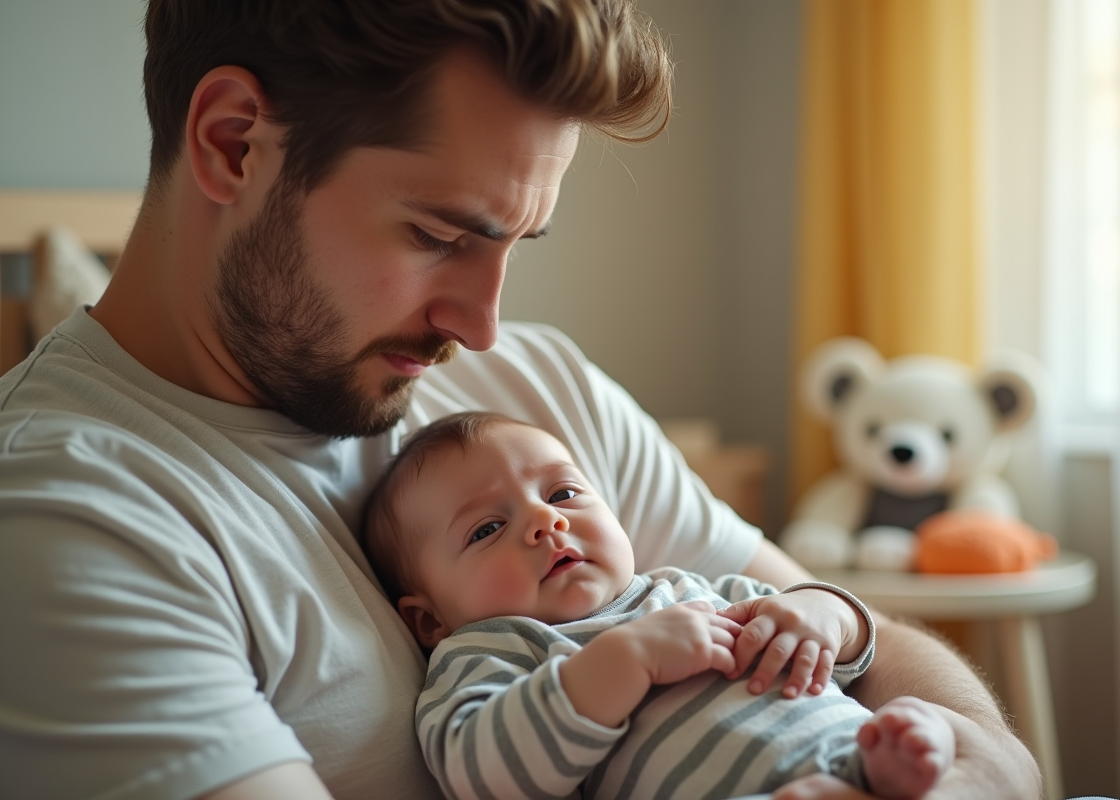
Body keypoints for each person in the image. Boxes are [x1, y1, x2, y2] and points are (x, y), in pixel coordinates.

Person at [0, 1, 1040, 799]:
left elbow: (864, 646)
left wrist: (972, 769)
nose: (481, 326)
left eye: (509, 244)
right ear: (233, 141)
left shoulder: (535, 396)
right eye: (440, 234)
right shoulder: (70, 521)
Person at [362, 411, 957, 800]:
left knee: (921, 726)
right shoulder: (489, 648)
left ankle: (896, 765)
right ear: (428, 618)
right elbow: (480, 773)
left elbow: (850, 650)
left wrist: (825, 615)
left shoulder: (688, 588)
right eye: (487, 528)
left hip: (853, 755)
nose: (548, 521)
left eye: (563, 493)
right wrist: (621, 663)